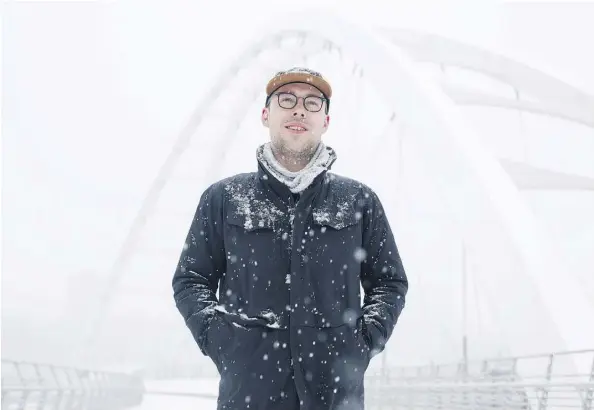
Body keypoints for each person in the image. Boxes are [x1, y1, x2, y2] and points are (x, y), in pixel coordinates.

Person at [172, 67, 408, 410]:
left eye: (313, 103)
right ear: (266, 115)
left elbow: (389, 283)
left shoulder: (359, 201)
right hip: (249, 397)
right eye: (287, 99)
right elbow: (191, 279)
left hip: (334, 395)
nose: (299, 109)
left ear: (325, 121)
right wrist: (221, 341)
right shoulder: (223, 199)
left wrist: (361, 345)